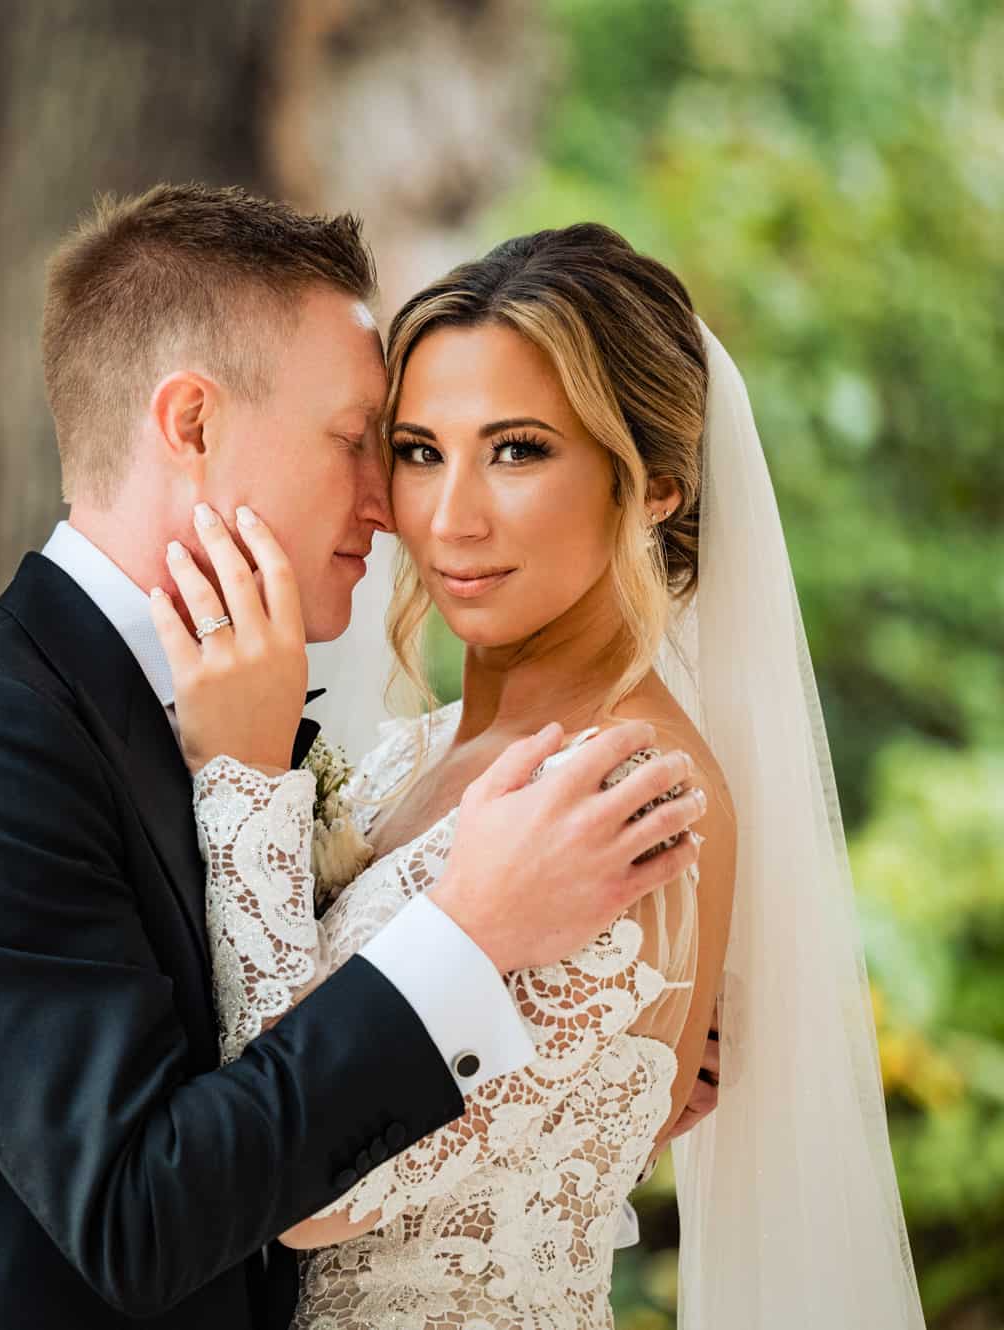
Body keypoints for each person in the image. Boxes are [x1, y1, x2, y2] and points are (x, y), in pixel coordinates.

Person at [0, 187, 706, 1329]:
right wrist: (468, 935)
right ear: (188, 425)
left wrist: (595, 1066)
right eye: (362, 444)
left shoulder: (225, 721)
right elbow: (141, 1211)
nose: (398, 510)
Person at [162, 223, 923, 1328]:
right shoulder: (409, 757)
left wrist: (239, 779)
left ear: (654, 485)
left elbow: (309, 1195)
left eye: (516, 449)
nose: (446, 517)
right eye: (418, 450)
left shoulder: (627, 797)